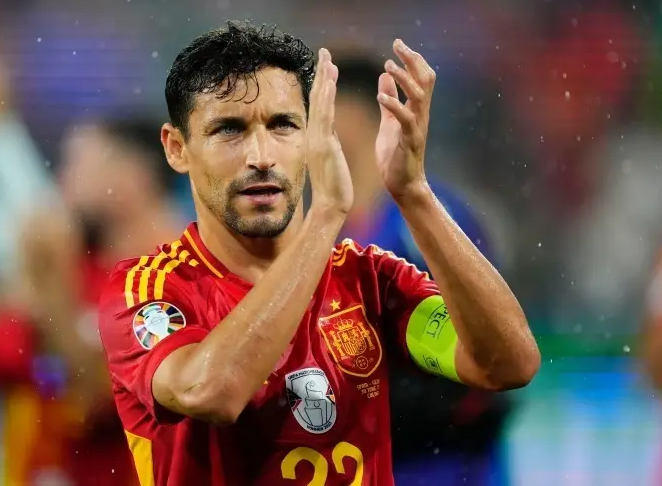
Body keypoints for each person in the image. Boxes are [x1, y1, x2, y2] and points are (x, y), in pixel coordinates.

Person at [98, 21, 540, 485]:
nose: (261, 155)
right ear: (177, 149)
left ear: (313, 135)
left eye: (283, 125)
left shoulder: (369, 280)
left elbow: (507, 365)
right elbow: (212, 393)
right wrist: (325, 215)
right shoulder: (146, 289)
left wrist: (413, 192)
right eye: (229, 129)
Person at [333, 54, 514, 485]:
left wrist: (413, 397)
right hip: (377, 461)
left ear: (356, 115)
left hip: (448, 461)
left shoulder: (430, 216)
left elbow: (488, 329)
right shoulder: (325, 227)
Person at [2, 118, 183, 485]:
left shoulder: (177, 278)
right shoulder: (85, 265)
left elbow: (98, 400)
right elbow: (18, 358)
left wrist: (51, 286)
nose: (62, 178)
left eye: (79, 162)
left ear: (133, 177)